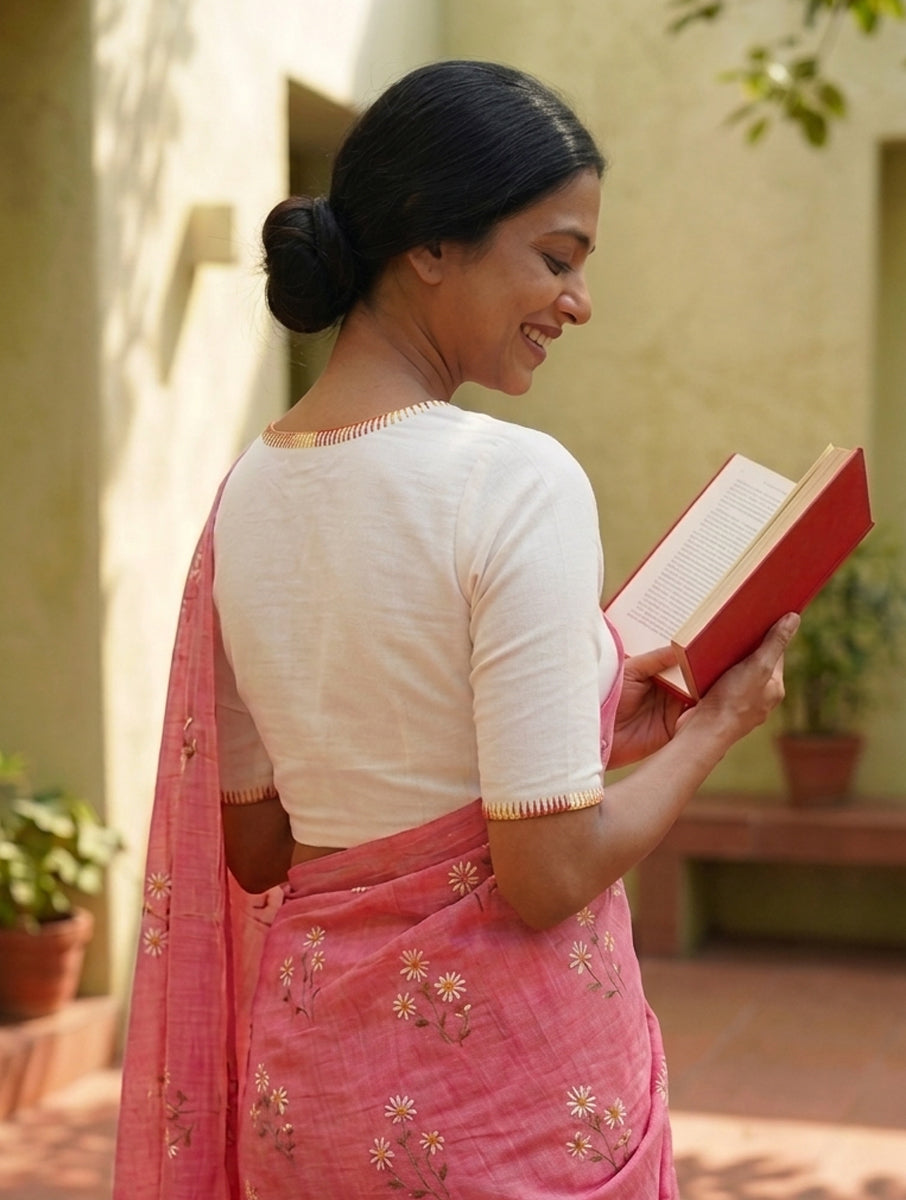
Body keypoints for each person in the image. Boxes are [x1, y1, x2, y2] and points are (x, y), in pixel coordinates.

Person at [114, 60, 796, 1199]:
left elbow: (260, 847)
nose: (577, 301)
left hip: (312, 1099)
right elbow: (546, 872)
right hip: (502, 1116)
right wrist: (711, 730)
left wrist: (596, 697)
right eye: (556, 259)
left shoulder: (247, 495)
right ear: (431, 243)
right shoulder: (511, 478)